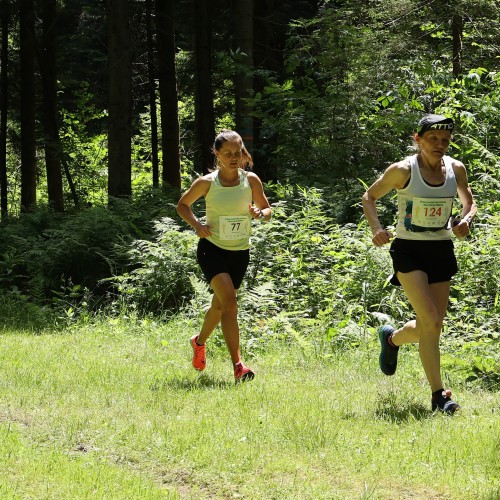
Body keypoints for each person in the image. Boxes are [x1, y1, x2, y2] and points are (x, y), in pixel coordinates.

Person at [362, 114, 477, 414]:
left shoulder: (456, 169)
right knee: (429, 317)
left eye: (444, 140)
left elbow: (469, 202)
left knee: (433, 325)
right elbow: (369, 197)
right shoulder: (403, 170)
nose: (439, 145)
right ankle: (439, 395)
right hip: (408, 251)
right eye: (432, 139)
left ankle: (393, 339)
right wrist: (376, 229)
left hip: (441, 249)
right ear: (418, 140)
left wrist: (464, 221)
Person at [176, 129, 272, 383]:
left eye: (237, 152)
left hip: (240, 252)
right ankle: (238, 366)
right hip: (212, 250)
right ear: (217, 154)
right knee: (230, 302)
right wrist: (197, 226)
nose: (233, 157)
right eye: (227, 153)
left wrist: (260, 214)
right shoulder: (207, 182)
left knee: (219, 306)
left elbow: (267, 209)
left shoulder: (251, 180)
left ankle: (199, 342)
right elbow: (182, 205)